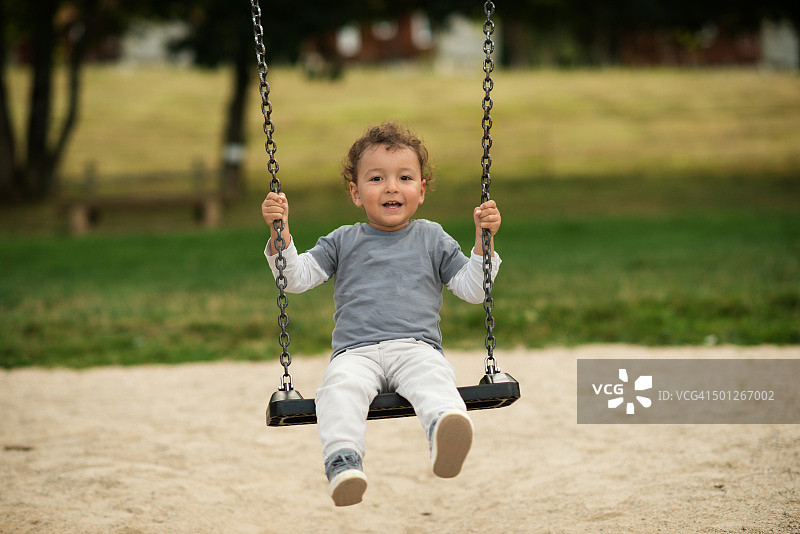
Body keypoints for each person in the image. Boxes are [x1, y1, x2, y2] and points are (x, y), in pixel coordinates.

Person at [262, 122, 502, 507]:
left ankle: (445, 429)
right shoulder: (343, 240)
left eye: (404, 177)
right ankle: (343, 461)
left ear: (421, 190)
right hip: (355, 353)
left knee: (434, 378)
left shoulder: (432, 238)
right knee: (338, 390)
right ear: (356, 193)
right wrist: (281, 234)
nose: (391, 187)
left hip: (416, 347)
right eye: (376, 178)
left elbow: (474, 289)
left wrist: (483, 242)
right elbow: (295, 278)